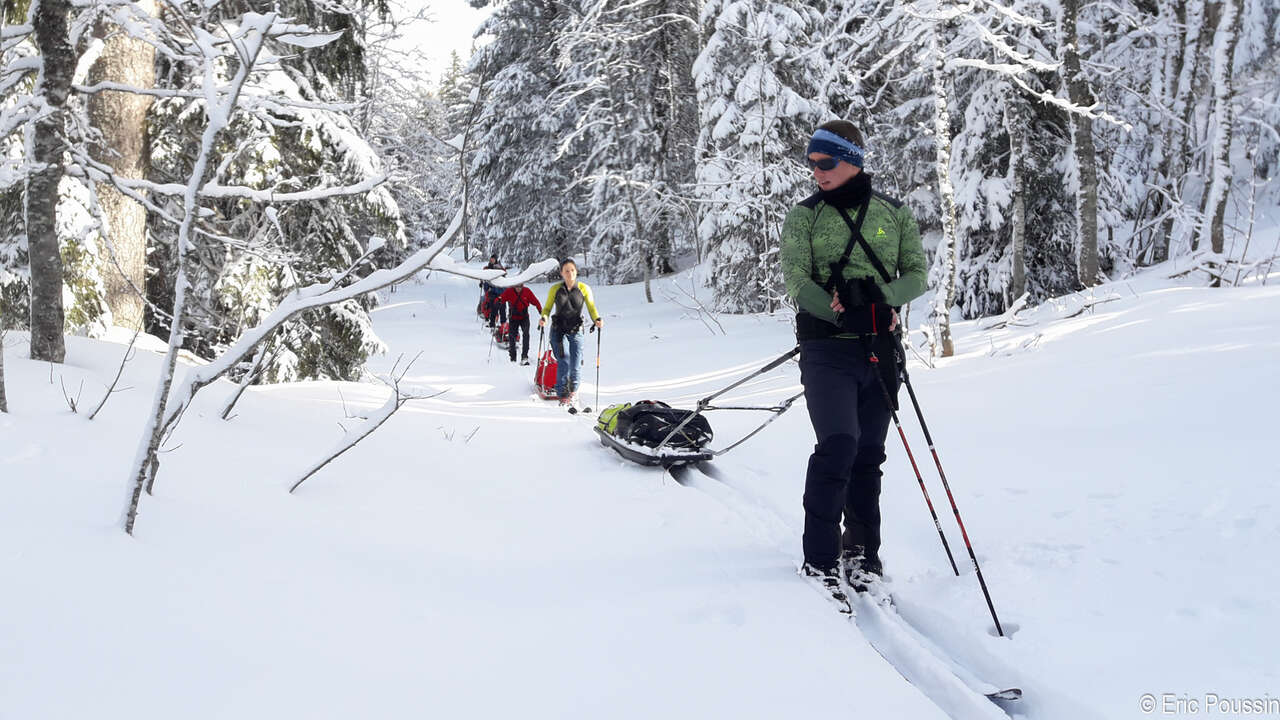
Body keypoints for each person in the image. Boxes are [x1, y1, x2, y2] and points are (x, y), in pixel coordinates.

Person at [779, 120, 928, 596]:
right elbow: (797, 281)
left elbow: (918, 275)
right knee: (839, 446)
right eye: (811, 163)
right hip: (826, 349)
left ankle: (862, 552)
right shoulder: (804, 216)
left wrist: (878, 298)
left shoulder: (895, 213)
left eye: (826, 162)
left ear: (853, 160)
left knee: (868, 455)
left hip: (880, 350)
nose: (816, 170)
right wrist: (840, 312)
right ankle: (820, 560)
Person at [538, 258, 602, 404]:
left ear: (576, 271)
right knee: (564, 360)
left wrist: (597, 319)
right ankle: (562, 394)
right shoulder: (555, 289)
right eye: (566, 271)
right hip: (558, 330)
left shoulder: (584, 289)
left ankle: (573, 390)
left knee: (576, 364)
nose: (570, 273)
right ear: (561, 273)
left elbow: (591, 307)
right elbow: (547, 308)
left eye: (572, 270)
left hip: (576, 329)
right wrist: (544, 317)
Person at [497, 282, 543, 364]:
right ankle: (513, 356)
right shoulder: (509, 291)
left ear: (522, 286)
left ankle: (524, 356)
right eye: (516, 286)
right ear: (514, 286)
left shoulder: (527, 291)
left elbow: (535, 301)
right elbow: (502, 297)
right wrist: (498, 301)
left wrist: (540, 311)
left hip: (524, 317)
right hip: (513, 318)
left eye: (520, 287)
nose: (518, 288)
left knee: (526, 334)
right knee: (512, 335)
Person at [480, 253, 507, 328]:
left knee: (502, 308)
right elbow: (484, 277)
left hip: (501, 290)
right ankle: (492, 322)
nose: (492, 260)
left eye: (493, 259)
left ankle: (503, 324)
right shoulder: (487, 268)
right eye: (491, 259)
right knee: (492, 306)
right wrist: (482, 283)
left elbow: (504, 276)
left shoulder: (500, 268)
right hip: (492, 290)